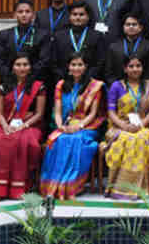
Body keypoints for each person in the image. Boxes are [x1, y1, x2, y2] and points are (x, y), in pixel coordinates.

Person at [0, 54, 45, 199]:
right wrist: (5, 126)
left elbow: (39, 113)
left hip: (31, 126)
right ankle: (0, 188)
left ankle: (20, 187)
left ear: (30, 67)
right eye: (18, 64)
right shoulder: (3, 87)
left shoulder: (38, 87)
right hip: (7, 124)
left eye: (25, 64)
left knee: (23, 142)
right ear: (12, 67)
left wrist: (24, 125)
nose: (22, 68)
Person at [39, 53, 104, 199]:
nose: (76, 68)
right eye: (73, 64)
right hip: (65, 125)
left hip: (87, 127)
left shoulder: (95, 86)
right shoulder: (61, 85)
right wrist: (60, 126)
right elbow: (57, 110)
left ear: (86, 67)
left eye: (80, 65)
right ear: (68, 67)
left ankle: (71, 185)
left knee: (75, 140)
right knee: (56, 140)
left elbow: (93, 114)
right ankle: (52, 186)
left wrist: (79, 126)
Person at [102, 56, 149, 200]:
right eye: (131, 66)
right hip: (119, 126)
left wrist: (140, 125)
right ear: (125, 69)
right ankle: (118, 187)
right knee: (125, 139)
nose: (135, 69)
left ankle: (138, 188)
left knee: (140, 139)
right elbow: (111, 112)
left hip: (142, 126)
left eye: (138, 66)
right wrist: (124, 126)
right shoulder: (116, 86)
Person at [0, 0, 50, 82]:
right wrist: (11, 75)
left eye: (27, 12)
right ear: (14, 15)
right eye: (20, 12)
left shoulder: (43, 35)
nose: (24, 15)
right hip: (9, 80)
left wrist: (29, 75)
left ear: (33, 15)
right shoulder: (4, 35)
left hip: (34, 81)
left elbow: (44, 60)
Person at [51, 1, 106, 82]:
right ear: (69, 17)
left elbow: (100, 61)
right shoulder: (59, 36)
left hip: (90, 81)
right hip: (64, 81)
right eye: (74, 14)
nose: (78, 17)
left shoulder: (97, 36)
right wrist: (64, 78)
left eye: (81, 15)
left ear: (88, 17)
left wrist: (88, 78)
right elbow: (53, 62)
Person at [103, 15, 149, 87]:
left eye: (134, 24)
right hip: (119, 89)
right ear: (123, 27)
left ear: (140, 28)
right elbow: (108, 72)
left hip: (142, 88)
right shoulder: (114, 47)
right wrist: (117, 87)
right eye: (128, 24)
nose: (131, 27)